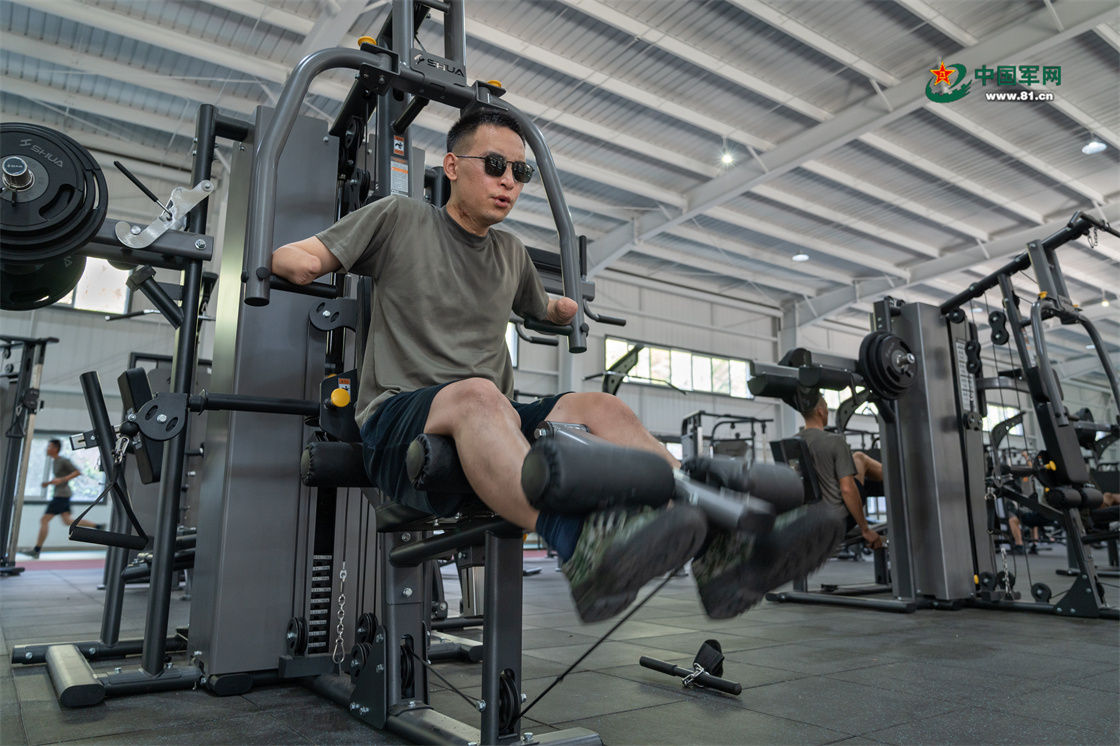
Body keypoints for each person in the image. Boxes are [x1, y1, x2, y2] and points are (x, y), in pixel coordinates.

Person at [273, 109, 840, 622]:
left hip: (490, 414)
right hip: (398, 418)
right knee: (477, 393)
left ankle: (724, 544)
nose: (509, 182)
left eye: (520, 172)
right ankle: (578, 546)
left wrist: (557, 310)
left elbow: (537, 308)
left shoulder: (510, 253)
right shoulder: (399, 218)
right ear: (452, 165)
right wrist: (290, 261)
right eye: (495, 165)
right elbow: (301, 256)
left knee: (603, 407)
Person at [798, 396, 884, 549]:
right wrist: (865, 529)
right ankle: (901, 478)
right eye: (826, 407)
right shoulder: (835, 441)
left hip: (809, 521)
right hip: (838, 519)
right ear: (820, 411)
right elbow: (847, 489)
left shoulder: (794, 441)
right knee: (859, 458)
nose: (827, 411)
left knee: (859, 475)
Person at [23, 439, 101, 559]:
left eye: (49, 446)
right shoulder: (55, 461)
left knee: (44, 520)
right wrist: (48, 483)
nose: (47, 449)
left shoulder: (63, 460)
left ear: (55, 449)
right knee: (67, 521)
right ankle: (97, 526)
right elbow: (59, 479)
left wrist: (62, 480)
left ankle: (37, 550)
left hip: (61, 495)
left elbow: (77, 472)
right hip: (62, 494)